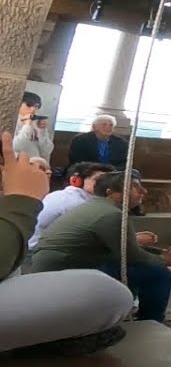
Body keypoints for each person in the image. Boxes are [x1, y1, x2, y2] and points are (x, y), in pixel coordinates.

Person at [0, 133, 135, 358]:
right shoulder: (72, 201)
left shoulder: (88, 204)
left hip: (23, 259)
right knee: (104, 292)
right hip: (37, 256)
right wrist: (21, 199)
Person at [28, 170, 171, 333]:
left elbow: (123, 247)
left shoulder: (95, 207)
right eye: (135, 187)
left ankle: (124, 315)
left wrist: (159, 253)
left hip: (59, 265)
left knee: (133, 269)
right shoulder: (111, 215)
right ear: (111, 193)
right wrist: (163, 260)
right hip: (64, 270)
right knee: (158, 274)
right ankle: (153, 324)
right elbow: (132, 256)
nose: (144, 191)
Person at [29, 161, 117, 250]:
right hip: (40, 252)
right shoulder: (78, 203)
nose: (104, 185)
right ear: (76, 181)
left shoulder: (59, 194)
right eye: (98, 180)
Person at [13, 91, 53, 165]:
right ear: (18, 104)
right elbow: (15, 148)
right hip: (18, 166)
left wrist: (42, 132)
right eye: (28, 105)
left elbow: (46, 151)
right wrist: (27, 127)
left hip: (37, 166)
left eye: (36, 106)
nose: (33, 109)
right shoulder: (10, 121)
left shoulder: (36, 123)